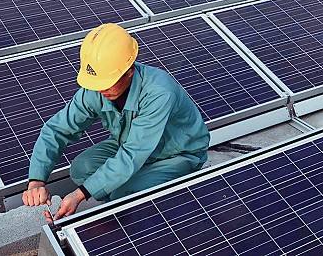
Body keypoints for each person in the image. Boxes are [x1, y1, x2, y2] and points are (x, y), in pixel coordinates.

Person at [22, 23, 210, 220]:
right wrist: (36, 181)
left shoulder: (159, 93)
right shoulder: (95, 89)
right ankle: (128, 193)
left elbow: (132, 155)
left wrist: (80, 195)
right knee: (81, 169)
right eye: (97, 83)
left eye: (107, 83)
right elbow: (56, 130)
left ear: (129, 71)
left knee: (121, 194)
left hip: (176, 154)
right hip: (129, 143)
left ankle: (149, 198)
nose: (101, 90)